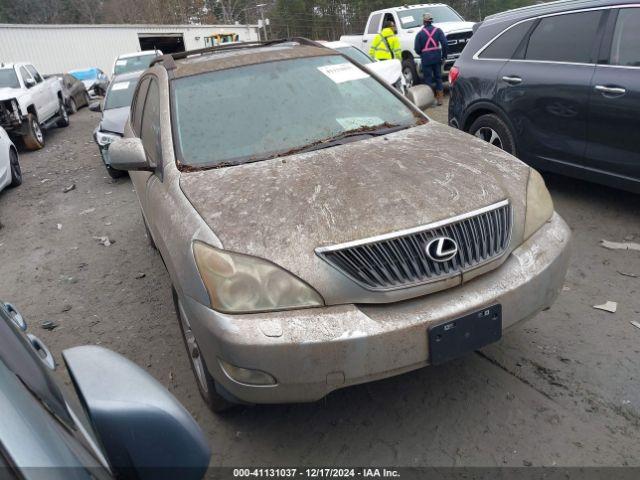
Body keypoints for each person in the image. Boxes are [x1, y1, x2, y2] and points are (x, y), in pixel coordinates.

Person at [414, 12, 448, 105]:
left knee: (428, 79)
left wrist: (423, 54)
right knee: (438, 78)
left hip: (426, 59)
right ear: (431, 20)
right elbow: (445, 44)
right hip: (437, 58)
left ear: (423, 21)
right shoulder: (438, 31)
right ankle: (440, 99)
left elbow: (417, 49)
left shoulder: (420, 34)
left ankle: (431, 101)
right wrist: (444, 56)